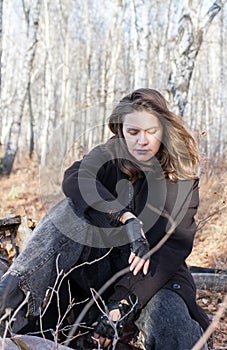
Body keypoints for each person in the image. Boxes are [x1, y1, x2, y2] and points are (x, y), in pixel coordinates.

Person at [0, 88, 210, 349]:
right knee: (67, 211)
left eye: (151, 132)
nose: (142, 141)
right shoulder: (109, 156)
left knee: (169, 318)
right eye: (133, 132)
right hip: (96, 272)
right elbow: (75, 177)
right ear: (122, 131)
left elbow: (171, 250)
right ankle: (6, 301)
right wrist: (124, 217)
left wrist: (121, 303)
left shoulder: (181, 181)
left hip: (152, 279)